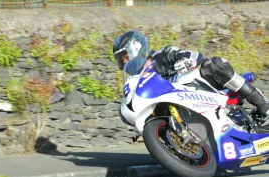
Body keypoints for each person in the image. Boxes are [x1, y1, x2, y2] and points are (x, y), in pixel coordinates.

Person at [112, 30, 269, 118]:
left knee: (213, 64)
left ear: (137, 47)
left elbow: (193, 54)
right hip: (174, 105)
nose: (124, 62)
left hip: (197, 89)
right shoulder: (135, 82)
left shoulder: (162, 54)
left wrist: (186, 60)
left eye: (125, 57)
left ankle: (263, 103)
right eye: (120, 60)